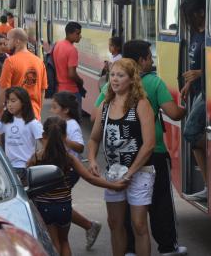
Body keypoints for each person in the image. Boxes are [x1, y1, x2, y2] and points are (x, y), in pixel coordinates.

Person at [95, 40, 188, 256]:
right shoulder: (154, 83)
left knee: (125, 210)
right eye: (149, 57)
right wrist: (186, 108)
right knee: (160, 203)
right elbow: (173, 113)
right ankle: (167, 247)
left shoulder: (112, 86)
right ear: (141, 61)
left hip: (120, 160)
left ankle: (129, 249)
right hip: (152, 154)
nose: (152, 61)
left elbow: (95, 115)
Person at [27, 116, 127, 256]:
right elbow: (89, 178)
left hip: (45, 207)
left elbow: (26, 180)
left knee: (53, 244)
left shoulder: (36, 158)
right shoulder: (69, 158)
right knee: (64, 242)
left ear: (43, 135)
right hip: (64, 206)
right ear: (65, 136)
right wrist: (114, 185)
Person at [88, 58, 156, 256]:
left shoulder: (141, 105)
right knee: (115, 223)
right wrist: (92, 160)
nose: (115, 80)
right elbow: (93, 139)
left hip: (140, 173)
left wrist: (130, 173)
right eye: (112, 75)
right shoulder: (105, 107)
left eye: (120, 75)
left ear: (132, 80)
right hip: (114, 174)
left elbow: (149, 144)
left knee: (139, 224)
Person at [51, 92, 102, 250]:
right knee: (58, 202)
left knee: (58, 203)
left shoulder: (72, 125)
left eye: (54, 107)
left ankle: (89, 225)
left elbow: (80, 147)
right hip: (59, 169)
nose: (51, 110)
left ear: (65, 110)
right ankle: (89, 225)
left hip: (71, 170)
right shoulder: (58, 122)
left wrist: (65, 139)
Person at [180, 0, 208, 201]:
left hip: (208, 90)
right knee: (194, 135)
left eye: (192, 14)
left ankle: (209, 183)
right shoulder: (195, 34)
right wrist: (189, 84)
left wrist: (199, 74)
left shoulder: (210, 34)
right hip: (197, 89)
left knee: (190, 133)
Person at [0, 86, 43, 183]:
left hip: (25, 168)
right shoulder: (5, 120)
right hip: (8, 167)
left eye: (13, 101)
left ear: (23, 102)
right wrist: (0, 150)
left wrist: (36, 156)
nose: (9, 105)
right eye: (7, 102)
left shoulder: (32, 123)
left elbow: (47, 143)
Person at [0, 28, 48, 120]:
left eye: (8, 40)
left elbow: (4, 90)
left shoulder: (10, 61)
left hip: (16, 115)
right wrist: (38, 111)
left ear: (17, 41)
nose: (6, 43)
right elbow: (42, 90)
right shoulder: (39, 62)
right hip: (34, 115)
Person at [52, 22, 85, 110]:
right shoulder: (72, 50)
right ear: (70, 33)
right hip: (71, 92)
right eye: (77, 33)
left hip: (59, 89)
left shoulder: (58, 45)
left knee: (63, 119)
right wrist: (80, 81)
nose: (80, 36)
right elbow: (72, 74)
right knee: (75, 120)